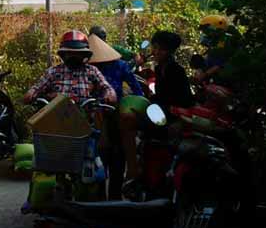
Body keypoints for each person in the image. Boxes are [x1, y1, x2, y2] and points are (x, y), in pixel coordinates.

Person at [87, 34, 143, 199]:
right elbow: (137, 90)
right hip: (102, 113)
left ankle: (106, 196)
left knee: (106, 154)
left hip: (105, 114)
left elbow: (136, 89)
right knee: (112, 154)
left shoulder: (91, 67)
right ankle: (113, 195)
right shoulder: (118, 65)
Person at [23, 30, 117, 106]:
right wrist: (31, 93)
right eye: (70, 53)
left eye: (78, 53)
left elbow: (106, 87)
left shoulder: (92, 71)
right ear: (63, 55)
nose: (73, 56)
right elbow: (37, 87)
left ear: (84, 55)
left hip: (85, 116)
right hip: (57, 117)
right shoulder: (53, 71)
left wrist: (110, 94)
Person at [150, 30, 194, 110]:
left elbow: (183, 102)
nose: (156, 52)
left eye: (162, 49)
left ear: (171, 51)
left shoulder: (177, 71)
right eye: (155, 47)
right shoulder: (158, 69)